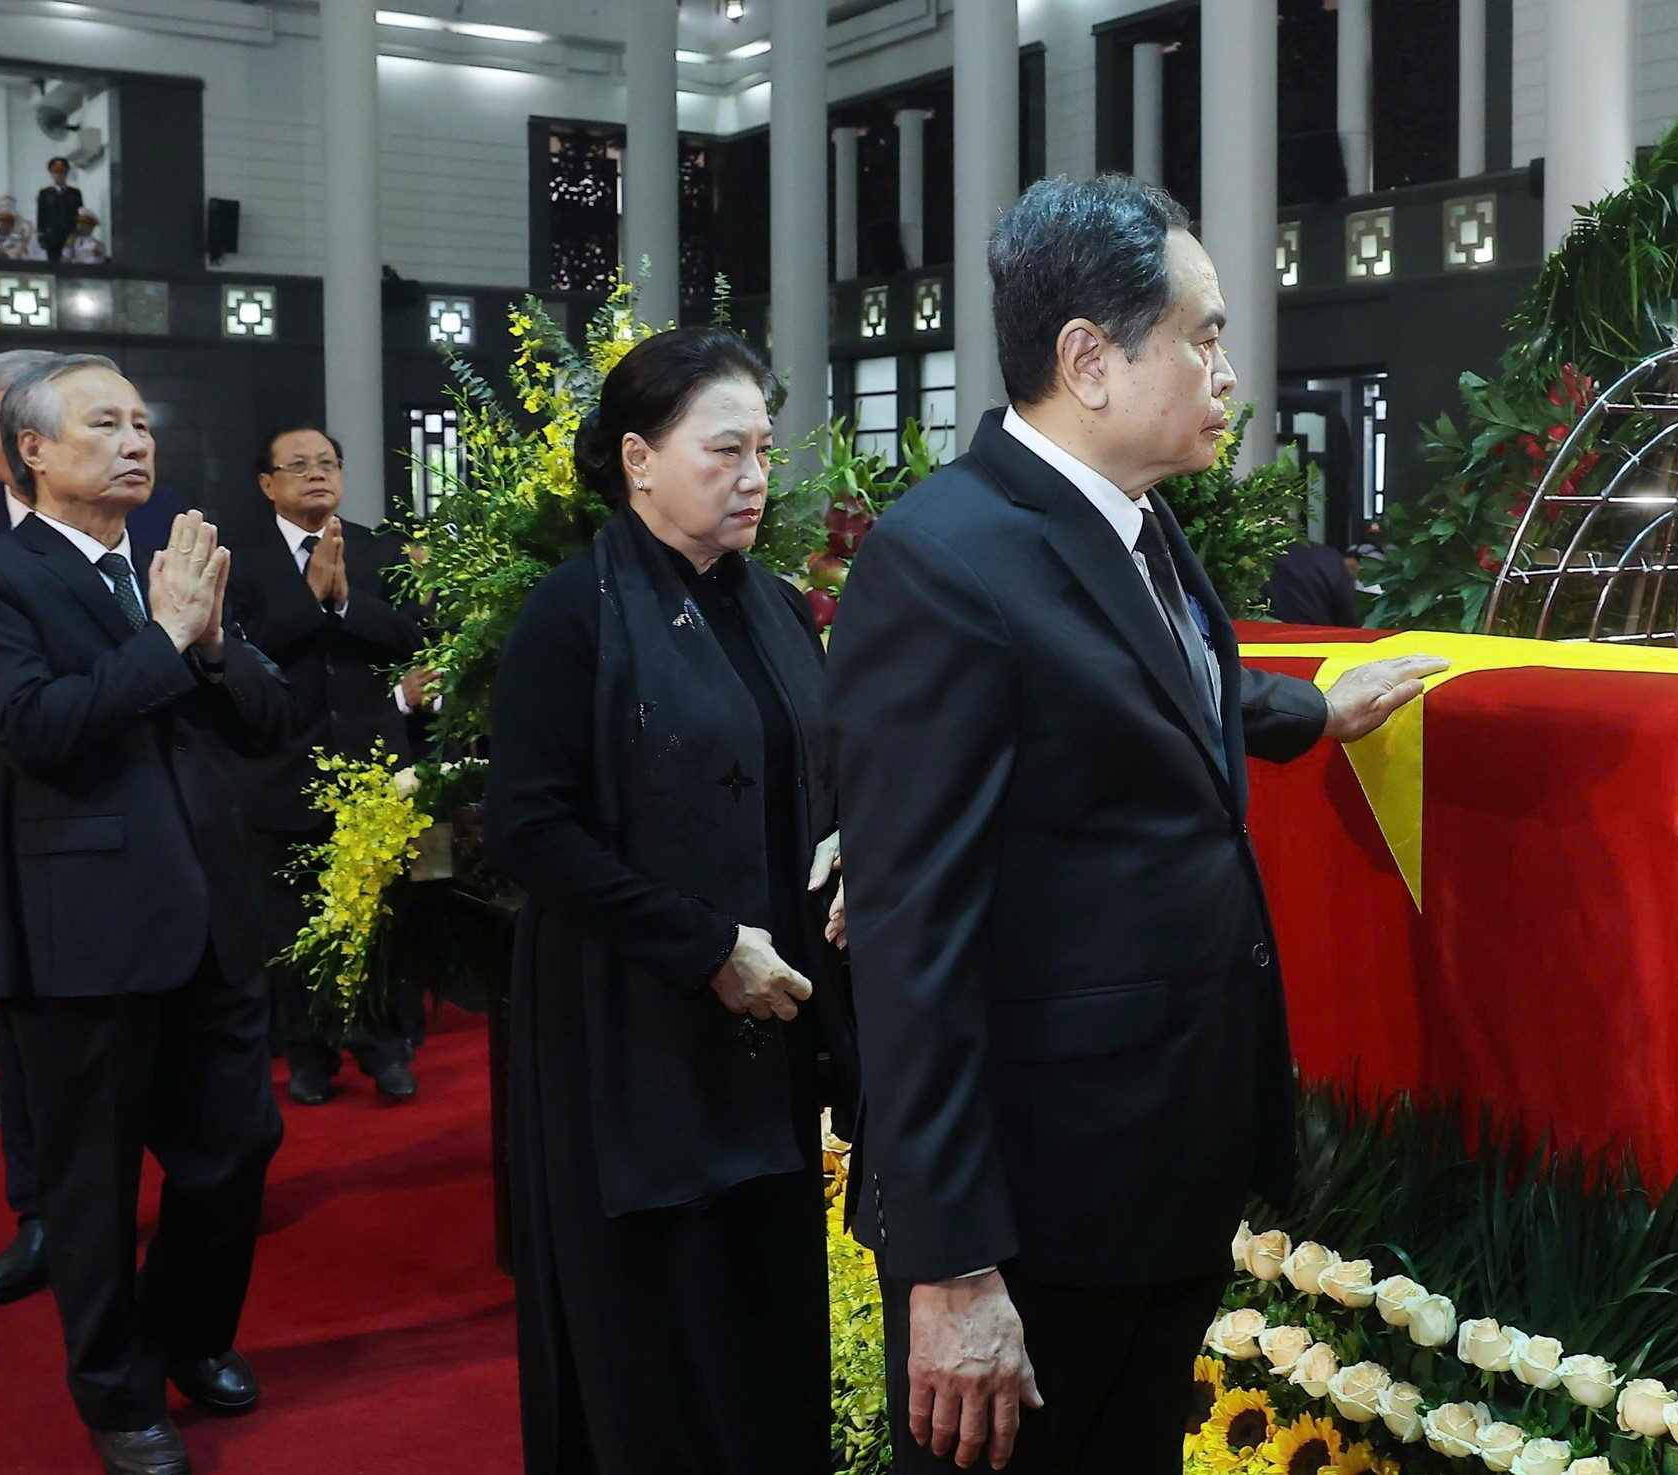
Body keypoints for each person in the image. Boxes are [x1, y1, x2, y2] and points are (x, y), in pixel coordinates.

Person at [826, 174, 1446, 1474]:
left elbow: (1154, 694)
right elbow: (909, 934)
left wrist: (1314, 710)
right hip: (1037, 1202)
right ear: (1088, 361)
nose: (1227, 371)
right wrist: (951, 1262)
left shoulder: (1130, 518)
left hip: (1156, 1166)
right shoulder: (943, 560)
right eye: (1203, 335)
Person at [482, 326, 857, 1474]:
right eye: (723, 450)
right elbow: (527, 828)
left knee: (768, 1330)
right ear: (638, 460)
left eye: (762, 451)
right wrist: (703, 946)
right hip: (628, 1022)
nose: (753, 476)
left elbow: (821, 767)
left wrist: (852, 842)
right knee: (657, 1342)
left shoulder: (777, 605)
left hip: (770, 1025)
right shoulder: (572, 612)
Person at [0, 355, 291, 1475]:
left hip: (211, 913)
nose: (136, 440)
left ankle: (186, 1332)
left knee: (238, 1144)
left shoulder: (170, 567)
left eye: (142, 421)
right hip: (80, 926)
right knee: (91, 1186)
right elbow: (34, 727)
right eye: (105, 423)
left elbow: (268, 719)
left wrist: (213, 640)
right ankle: (119, 1393)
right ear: (32, 449)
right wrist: (167, 638)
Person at [0, 349, 189, 1302]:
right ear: (13, 444)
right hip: (25, 830)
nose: (130, 441)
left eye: (135, 423)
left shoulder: (163, 522)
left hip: (164, 848)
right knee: (44, 1069)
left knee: (200, 1109)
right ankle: (43, 1213)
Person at [228, 427, 427, 1105]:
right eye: (300, 465)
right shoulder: (241, 560)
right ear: (267, 483)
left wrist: (344, 604)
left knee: (375, 916)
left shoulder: (379, 549)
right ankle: (309, 1054)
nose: (318, 474)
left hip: (373, 763)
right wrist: (305, 600)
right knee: (292, 925)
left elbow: (415, 635)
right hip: (280, 767)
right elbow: (235, 654)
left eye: (328, 463)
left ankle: (384, 1047)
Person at [1266, 541, 1360, 627]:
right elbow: (1349, 614)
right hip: (1320, 636)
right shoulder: (1327, 558)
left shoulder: (1260, 559)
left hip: (1265, 637)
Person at [37, 156, 83, 262]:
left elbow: (80, 215)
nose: (59, 175)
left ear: (66, 173)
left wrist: (76, 233)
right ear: (51, 174)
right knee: (53, 265)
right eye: (56, 172)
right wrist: (41, 236)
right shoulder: (45, 193)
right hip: (52, 238)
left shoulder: (75, 193)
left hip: (71, 237)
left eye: (62, 172)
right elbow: (41, 216)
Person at [0, 195, 47, 261]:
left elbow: (40, 257)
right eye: (2, 220)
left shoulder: (29, 233)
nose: (5, 224)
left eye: (9, 220)